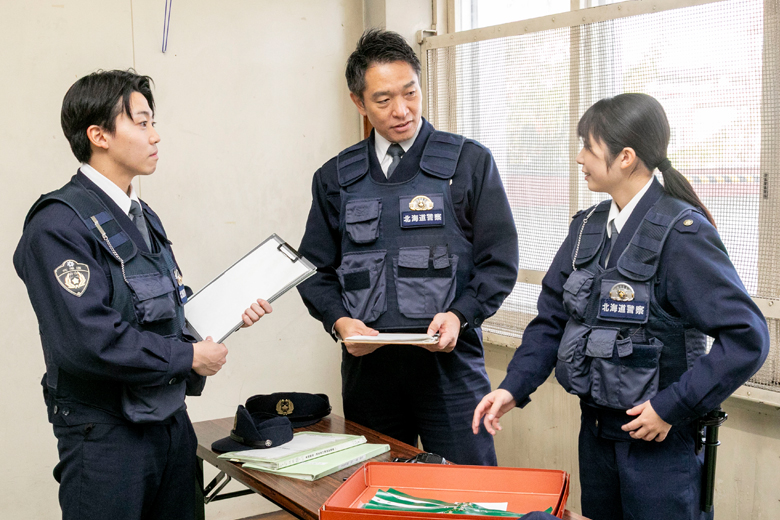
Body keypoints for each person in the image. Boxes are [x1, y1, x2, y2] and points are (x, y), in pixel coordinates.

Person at [472, 93, 769, 520]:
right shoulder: (586, 229)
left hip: (659, 447)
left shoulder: (681, 234)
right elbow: (552, 320)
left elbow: (748, 337)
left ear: (625, 157)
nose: (579, 158)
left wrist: (671, 408)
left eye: (589, 148)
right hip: (596, 436)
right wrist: (512, 388)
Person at [13, 69, 272, 520]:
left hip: (168, 422)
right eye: (142, 122)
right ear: (99, 135)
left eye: (154, 122)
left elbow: (162, 309)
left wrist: (226, 314)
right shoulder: (57, 226)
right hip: (106, 437)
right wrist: (189, 359)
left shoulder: (140, 214)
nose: (156, 136)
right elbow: (88, 341)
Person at [296, 29, 519, 466]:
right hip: (370, 373)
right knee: (378, 496)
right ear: (358, 102)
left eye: (410, 93)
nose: (402, 111)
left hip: (450, 371)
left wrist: (461, 314)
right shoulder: (334, 178)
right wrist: (340, 322)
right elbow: (313, 272)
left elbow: (499, 262)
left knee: (467, 495)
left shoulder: (469, 164)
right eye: (383, 100)